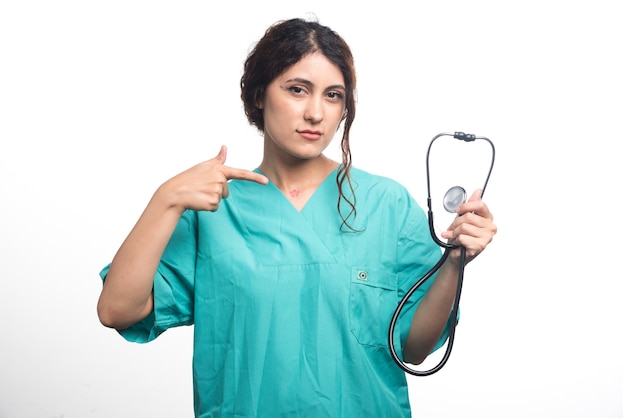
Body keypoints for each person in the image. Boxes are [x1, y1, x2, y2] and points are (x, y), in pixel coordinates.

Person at [97, 16, 497, 418]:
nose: (315, 113)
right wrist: (164, 200)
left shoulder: (385, 204)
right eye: (297, 90)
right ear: (258, 95)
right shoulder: (216, 210)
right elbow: (117, 310)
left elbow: (414, 347)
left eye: (333, 96)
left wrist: (454, 264)